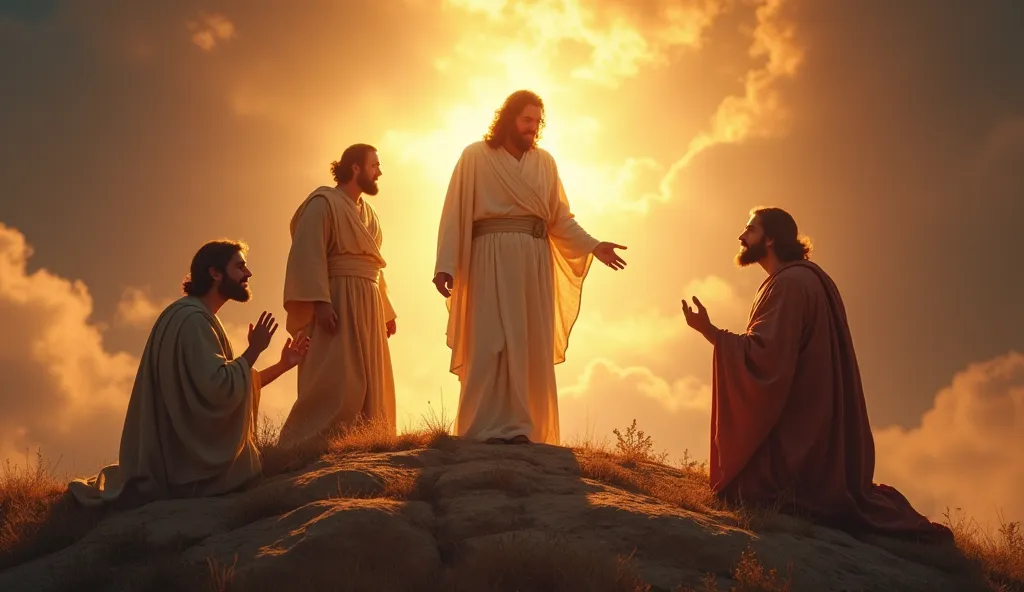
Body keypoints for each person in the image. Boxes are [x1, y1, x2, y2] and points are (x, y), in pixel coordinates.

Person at [680, 207, 952, 541]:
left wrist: (711, 332)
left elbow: (766, 359)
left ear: (770, 238)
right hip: (817, 430)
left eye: (750, 229)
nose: (741, 236)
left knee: (743, 488)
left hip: (801, 443)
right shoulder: (807, 277)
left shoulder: (790, 284)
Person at [433, 90, 627, 446]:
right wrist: (446, 264)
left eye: (537, 122)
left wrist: (594, 245)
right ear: (508, 118)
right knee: (489, 339)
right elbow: (454, 212)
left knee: (526, 344)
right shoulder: (475, 157)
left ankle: (523, 428)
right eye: (526, 120)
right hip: (488, 257)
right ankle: (483, 428)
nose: (532, 128)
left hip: (533, 263)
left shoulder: (545, 163)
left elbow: (560, 219)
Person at [68, 240, 309, 508]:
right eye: (240, 266)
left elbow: (236, 384)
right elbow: (219, 388)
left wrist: (283, 365)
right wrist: (254, 349)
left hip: (177, 463)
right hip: (186, 472)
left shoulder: (195, 315)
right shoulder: (193, 320)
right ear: (215, 273)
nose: (248, 274)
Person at [278, 144, 398, 447]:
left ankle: (368, 440)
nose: (379, 172)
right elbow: (308, 254)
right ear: (355, 167)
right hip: (337, 298)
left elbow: (373, 264)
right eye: (375, 165)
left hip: (368, 300)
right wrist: (320, 302)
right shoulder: (323, 203)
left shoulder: (369, 214)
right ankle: (310, 443)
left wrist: (386, 310)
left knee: (371, 377)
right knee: (339, 376)